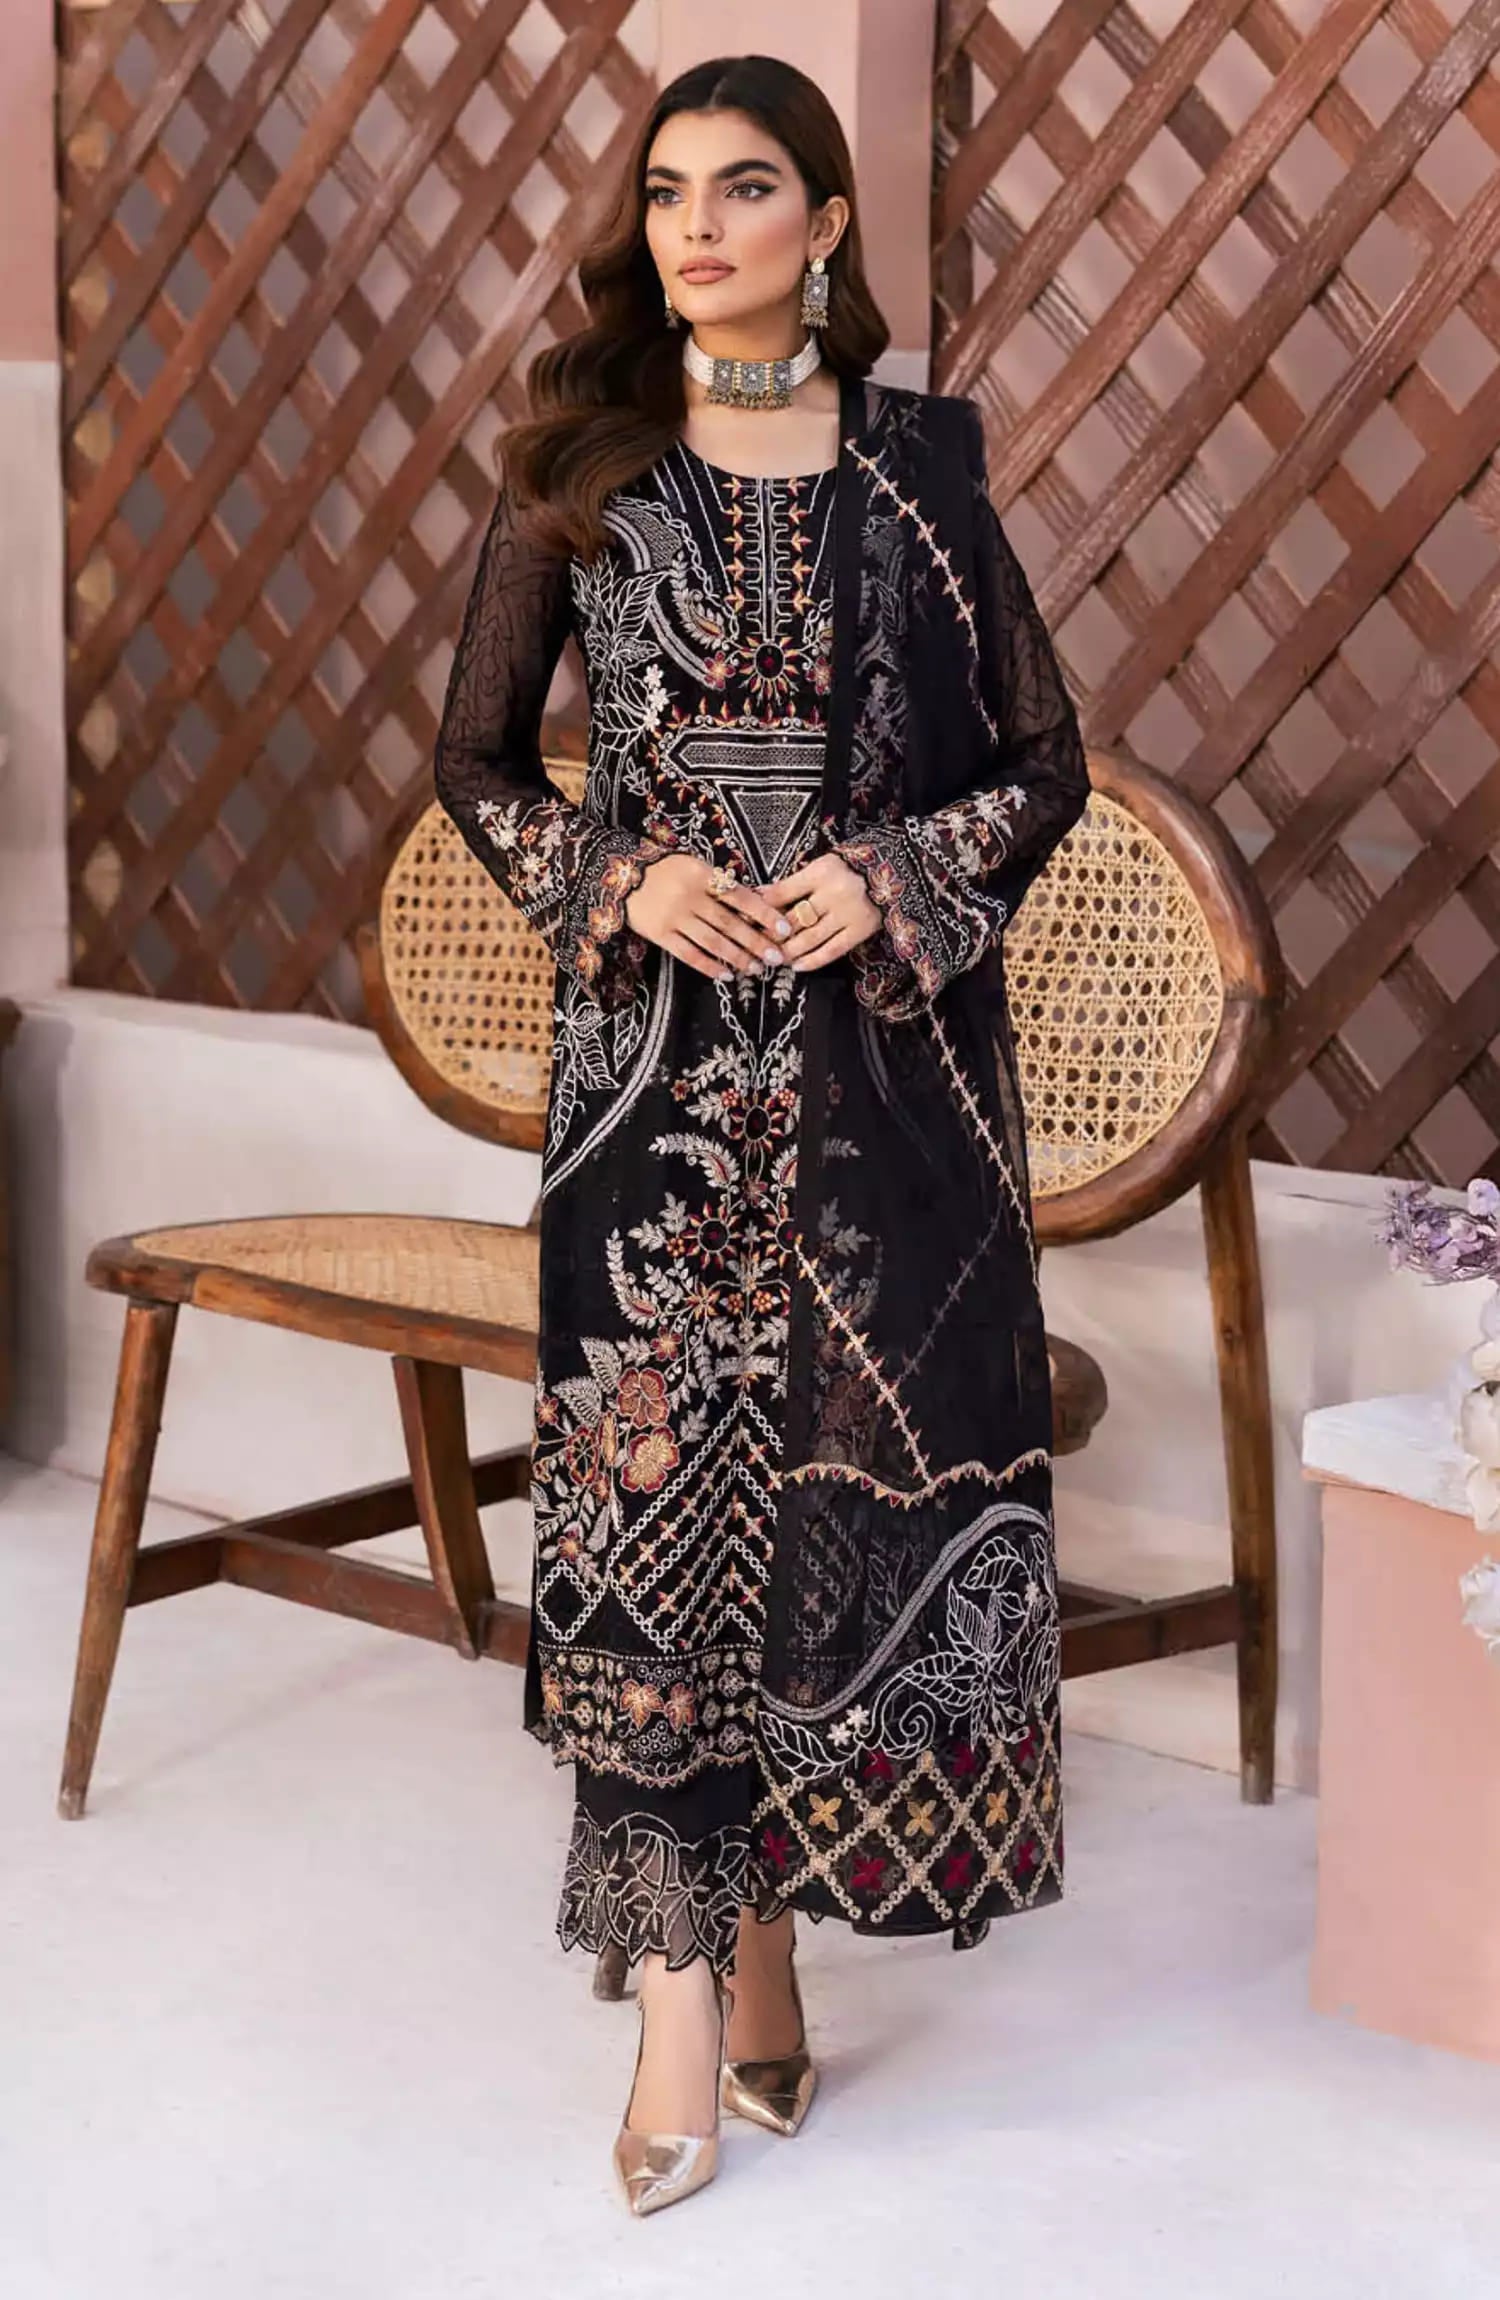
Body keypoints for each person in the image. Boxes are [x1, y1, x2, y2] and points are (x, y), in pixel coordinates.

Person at [433, 51, 1090, 2217]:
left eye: (741, 187)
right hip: (651, 1099)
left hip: (886, 1102)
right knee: (649, 1525)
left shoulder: (920, 468)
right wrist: (617, 880)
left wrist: (889, 879)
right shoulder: (581, 466)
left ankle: (777, 1931)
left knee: (821, 1520)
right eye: (664, 191)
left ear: (824, 222)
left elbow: (1047, 758)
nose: (695, 227)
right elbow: (474, 763)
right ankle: (672, 1996)